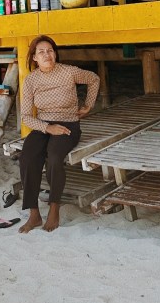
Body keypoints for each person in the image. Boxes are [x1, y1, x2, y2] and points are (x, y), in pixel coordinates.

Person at [18, 34, 99, 234]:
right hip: (43, 125)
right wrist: (47, 128)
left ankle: (54, 208)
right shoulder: (31, 80)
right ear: (34, 57)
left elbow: (94, 79)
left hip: (68, 124)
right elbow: (26, 116)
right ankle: (34, 214)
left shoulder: (69, 72)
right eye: (41, 52)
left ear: (55, 53)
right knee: (27, 157)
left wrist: (88, 105)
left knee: (54, 157)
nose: (47, 55)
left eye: (50, 51)